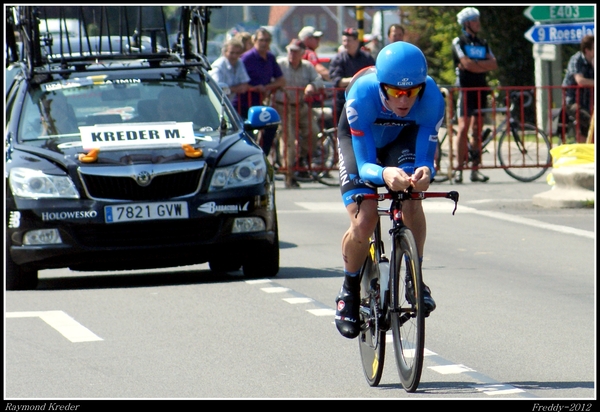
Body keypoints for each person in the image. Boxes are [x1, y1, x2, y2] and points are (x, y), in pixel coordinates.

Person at [334, 41, 445, 339]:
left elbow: (425, 158)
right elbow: (365, 162)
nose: (404, 99)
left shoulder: (432, 97)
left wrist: (425, 172)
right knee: (365, 217)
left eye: (412, 91)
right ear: (383, 86)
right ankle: (349, 290)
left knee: (412, 198)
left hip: (401, 139)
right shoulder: (361, 95)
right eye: (396, 91)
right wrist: (383, 173)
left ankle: (415, 277)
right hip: (360, 141)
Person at [451, 7, 497, 184]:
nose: (478, 23)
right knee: (463, 128)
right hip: (465, 90)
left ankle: (475, 169)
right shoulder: (459, 42)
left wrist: (475, 65)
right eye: (474, 20)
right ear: (466, 23)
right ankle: (459, 168)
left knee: (477, 130)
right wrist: (479, 64)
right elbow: (465, 63)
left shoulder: (483, 42)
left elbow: (493, 64)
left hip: (481, 89)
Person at [274, 39, 324, 189]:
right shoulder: (280, 64)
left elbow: (319, 80)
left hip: (300, 106)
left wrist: (312, 86)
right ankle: (289, 176)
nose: (292, 54)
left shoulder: (307, 66)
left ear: (302, 53)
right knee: (288, 140)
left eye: (295, 51)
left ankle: (301, 159)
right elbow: (272, 79)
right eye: (290, 50)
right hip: (283, 106)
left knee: (314, 133)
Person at [239, 27, 286, 156]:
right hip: (242, 104)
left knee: (271, 126)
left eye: (267, 40)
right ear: (254, 40)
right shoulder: (246, 58)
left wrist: (266, 87)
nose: (264, 43)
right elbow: (238, 82)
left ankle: (262, 156)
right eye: (261, 40)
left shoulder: (270, 57)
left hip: (260, 105)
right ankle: (248, 158)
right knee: (247, 136)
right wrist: (253, 87)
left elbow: (281, 80)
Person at [329, 28, 375, 121]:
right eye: (344, 41)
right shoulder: (338, 59)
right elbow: (337, 81)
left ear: (357, 41)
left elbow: (373, 77)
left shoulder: (367, 58)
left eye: (348, 40)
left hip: (363, 101)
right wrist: (358, 79)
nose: (346, 43)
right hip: (342, 103)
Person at [562, 34, 594, 139]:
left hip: (588, 102)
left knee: (590, 124)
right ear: (587, 50)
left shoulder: (593, 61)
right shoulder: (576, 59)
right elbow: (580, 81)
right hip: (573, 102)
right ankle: (581, 152)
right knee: (588, 120)